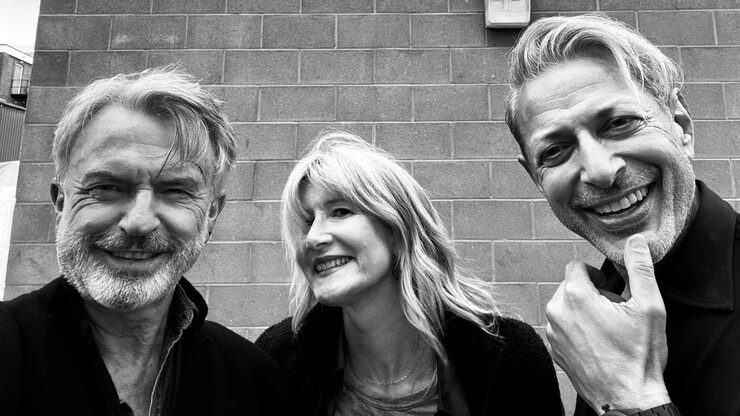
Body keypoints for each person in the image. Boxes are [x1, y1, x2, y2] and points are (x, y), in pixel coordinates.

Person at [0, 68, 286, 416]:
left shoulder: (252, 380)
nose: (139, 222)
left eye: (176, 190)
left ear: (211, 213)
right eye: (106, 187)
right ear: (61, 203)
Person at [506, 13, 740, 416]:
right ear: (536, 179)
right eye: (555, 151)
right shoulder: (597, 310)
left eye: (619, 123)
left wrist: (634, 398)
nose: (600, 171)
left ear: (680, 125)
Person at [255, 131, 563, 415]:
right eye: (307, 221)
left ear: (399, 231)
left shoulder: (509, 359)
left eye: (340, 211)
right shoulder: (276, 359)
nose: (313, 238)